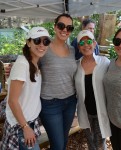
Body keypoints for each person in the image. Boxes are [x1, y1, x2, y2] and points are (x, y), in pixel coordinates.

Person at [1, 26, 51, 150]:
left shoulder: (33, 63)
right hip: (21, 126)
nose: (41, 45)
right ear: (28, 42)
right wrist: (25, 127)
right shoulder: (22, 65)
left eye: (46, 41)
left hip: (29, 123)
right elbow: (13, 101)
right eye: (37, 40)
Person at [39, 13, 77, 150]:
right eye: (61, 26)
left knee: (64, 139)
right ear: (55, 27)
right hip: (50, 104)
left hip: (70, 101)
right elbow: (29, 62)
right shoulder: (44, 47)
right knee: (58, 145)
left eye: (69, 27)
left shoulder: (72, 50)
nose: (65, 30)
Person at [75, 30, 111, 150]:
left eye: (89, 41)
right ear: (79, 47)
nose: (86, 45)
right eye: (82, 43)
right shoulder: (76, 66)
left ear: (94, 43)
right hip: (85, 112)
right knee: (91, 144)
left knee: (100, 144)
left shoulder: (104, 62)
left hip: (101, 112)